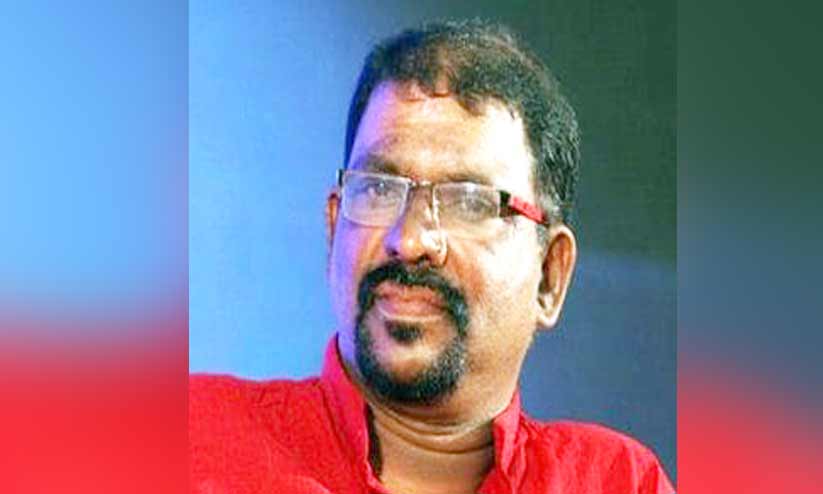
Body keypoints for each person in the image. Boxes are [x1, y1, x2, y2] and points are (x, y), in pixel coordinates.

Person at [190, 19, 674, 494]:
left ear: (550, 276)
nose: (410, 240)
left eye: (469, 202)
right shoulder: (193, 438)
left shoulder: (618, 482)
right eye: (379, 189)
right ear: (335, 230)